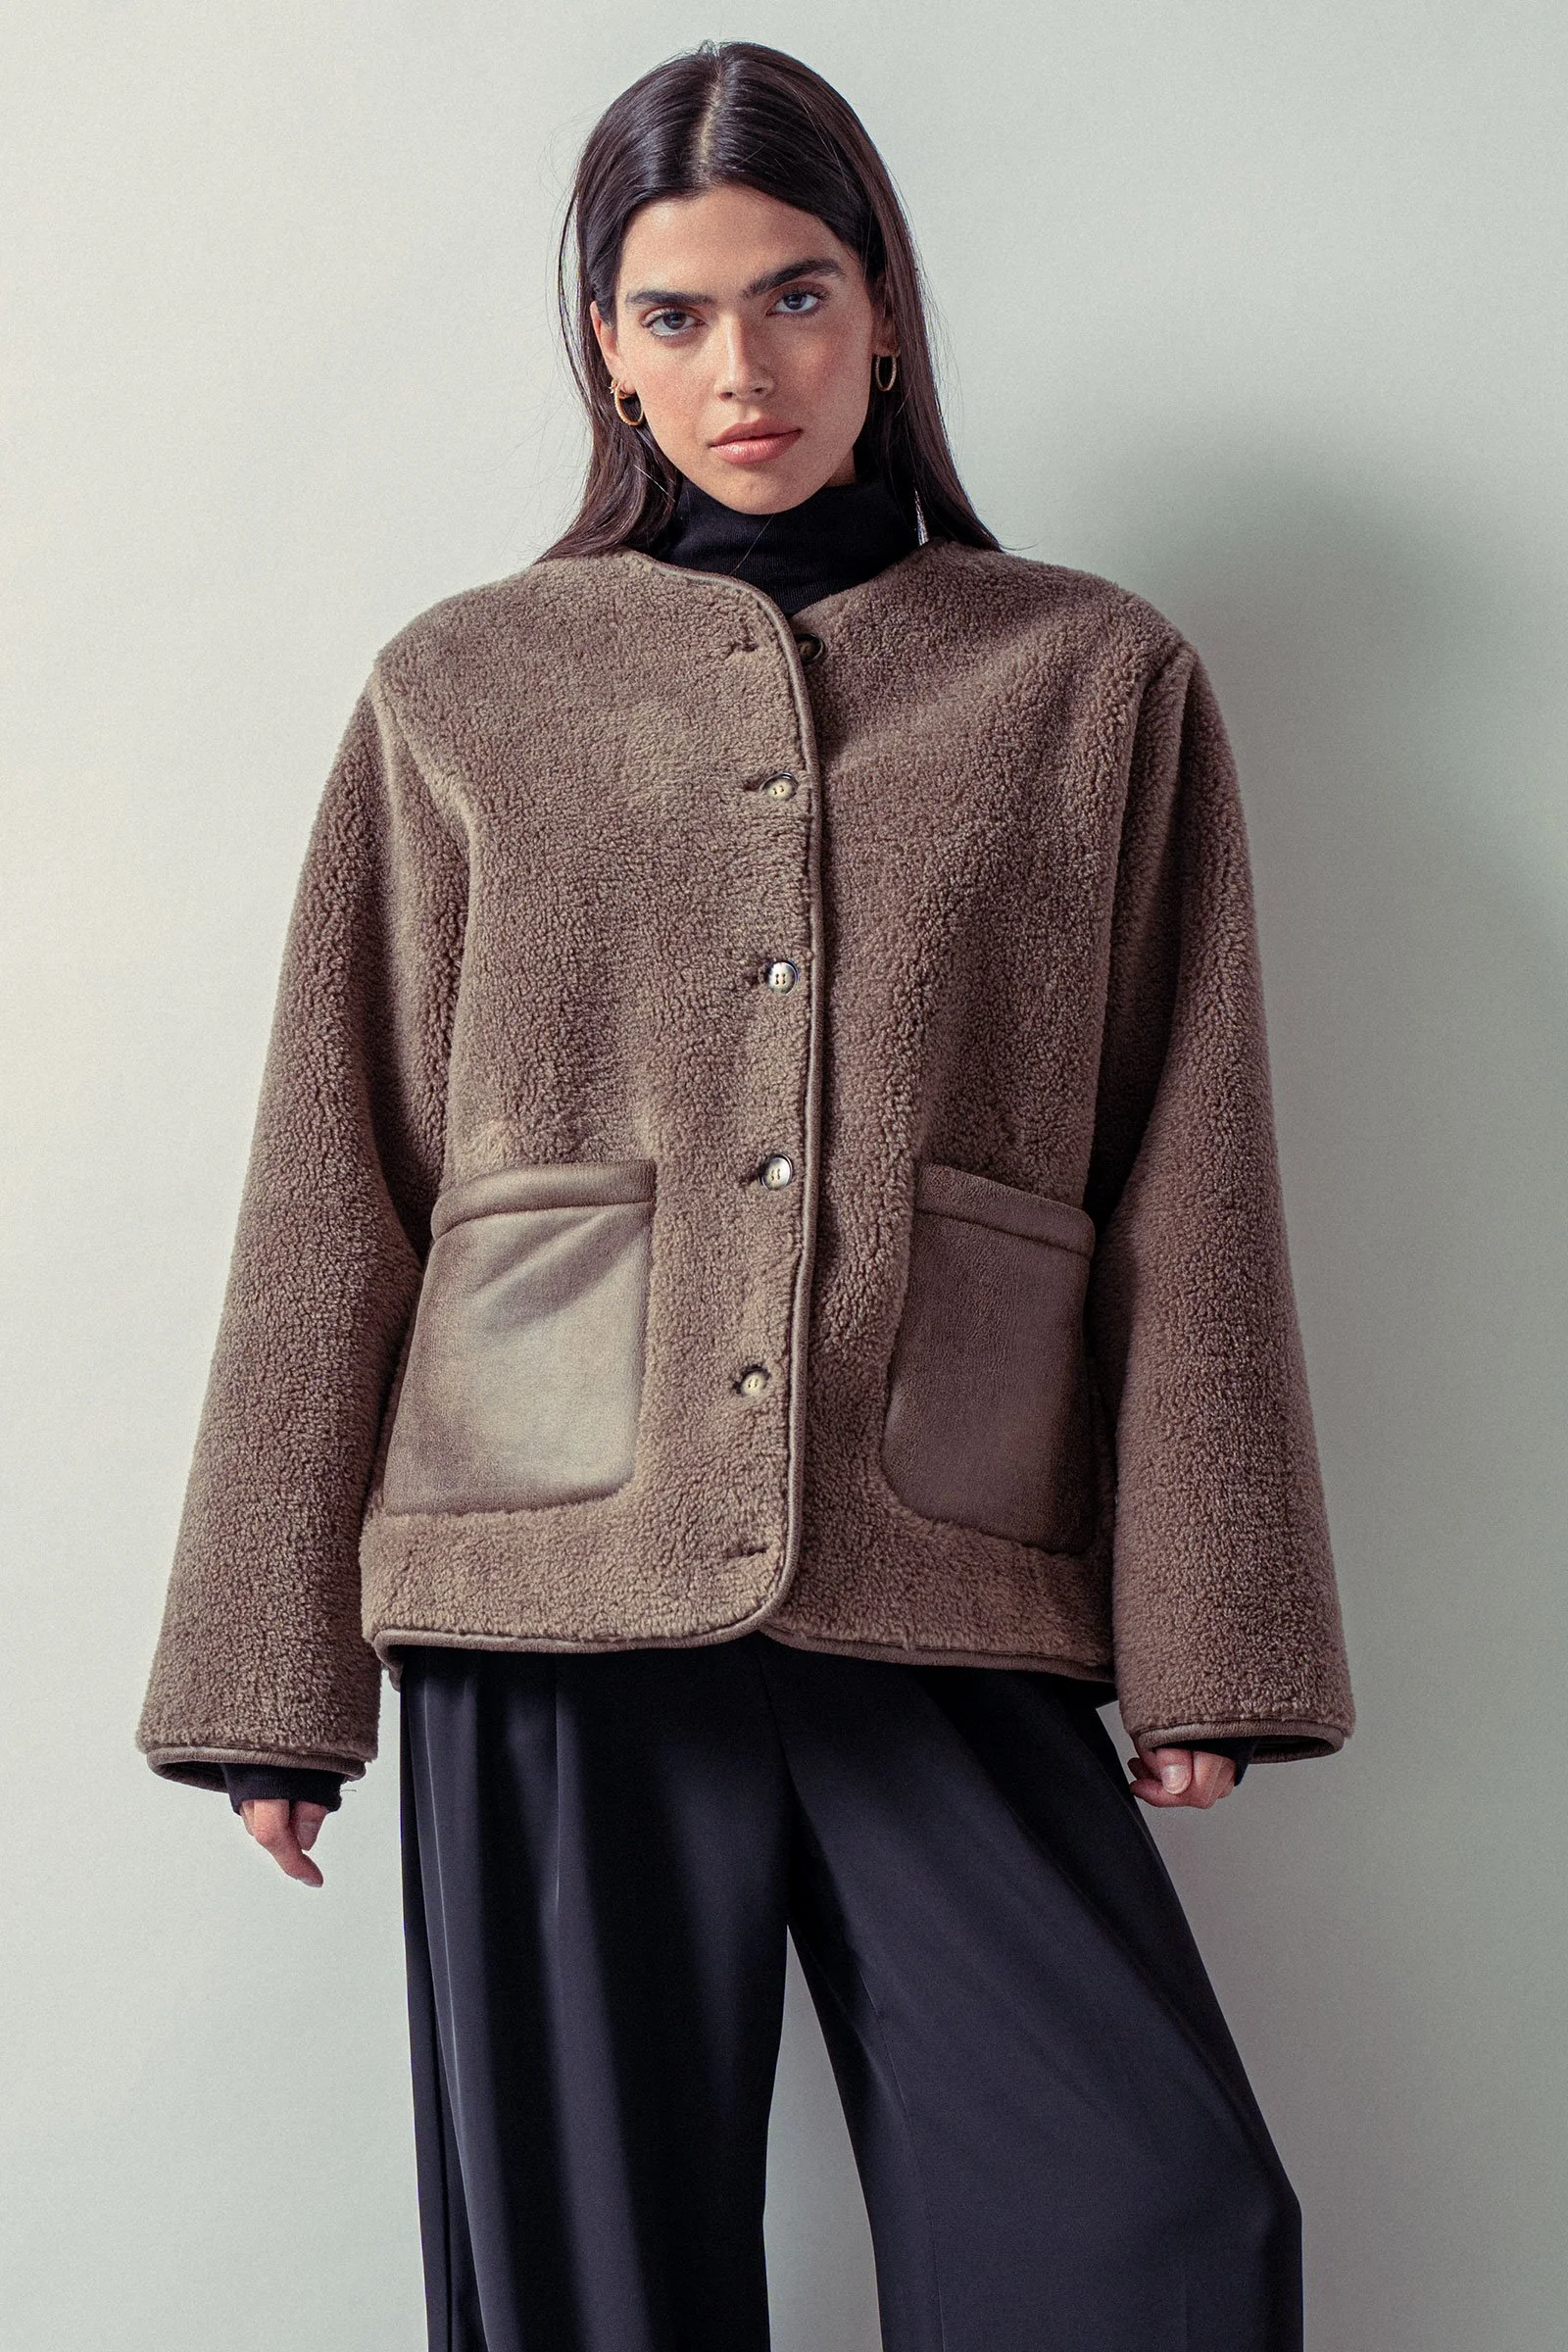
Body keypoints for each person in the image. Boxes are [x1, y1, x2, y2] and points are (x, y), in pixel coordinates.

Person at [137, 39, 1353, 2352]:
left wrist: (1209, 1640)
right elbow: (335, 1170)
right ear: (602, 343)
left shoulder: (1085, 679)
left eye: (793, 295)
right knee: (588, 2298)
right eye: (673, 312)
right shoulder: (462, 688)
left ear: (882, 308)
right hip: (545, 1585)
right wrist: (263, 1679)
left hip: (941, 1575)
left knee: (1156, 2225)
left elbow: (1186, 1175)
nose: (741, 368)